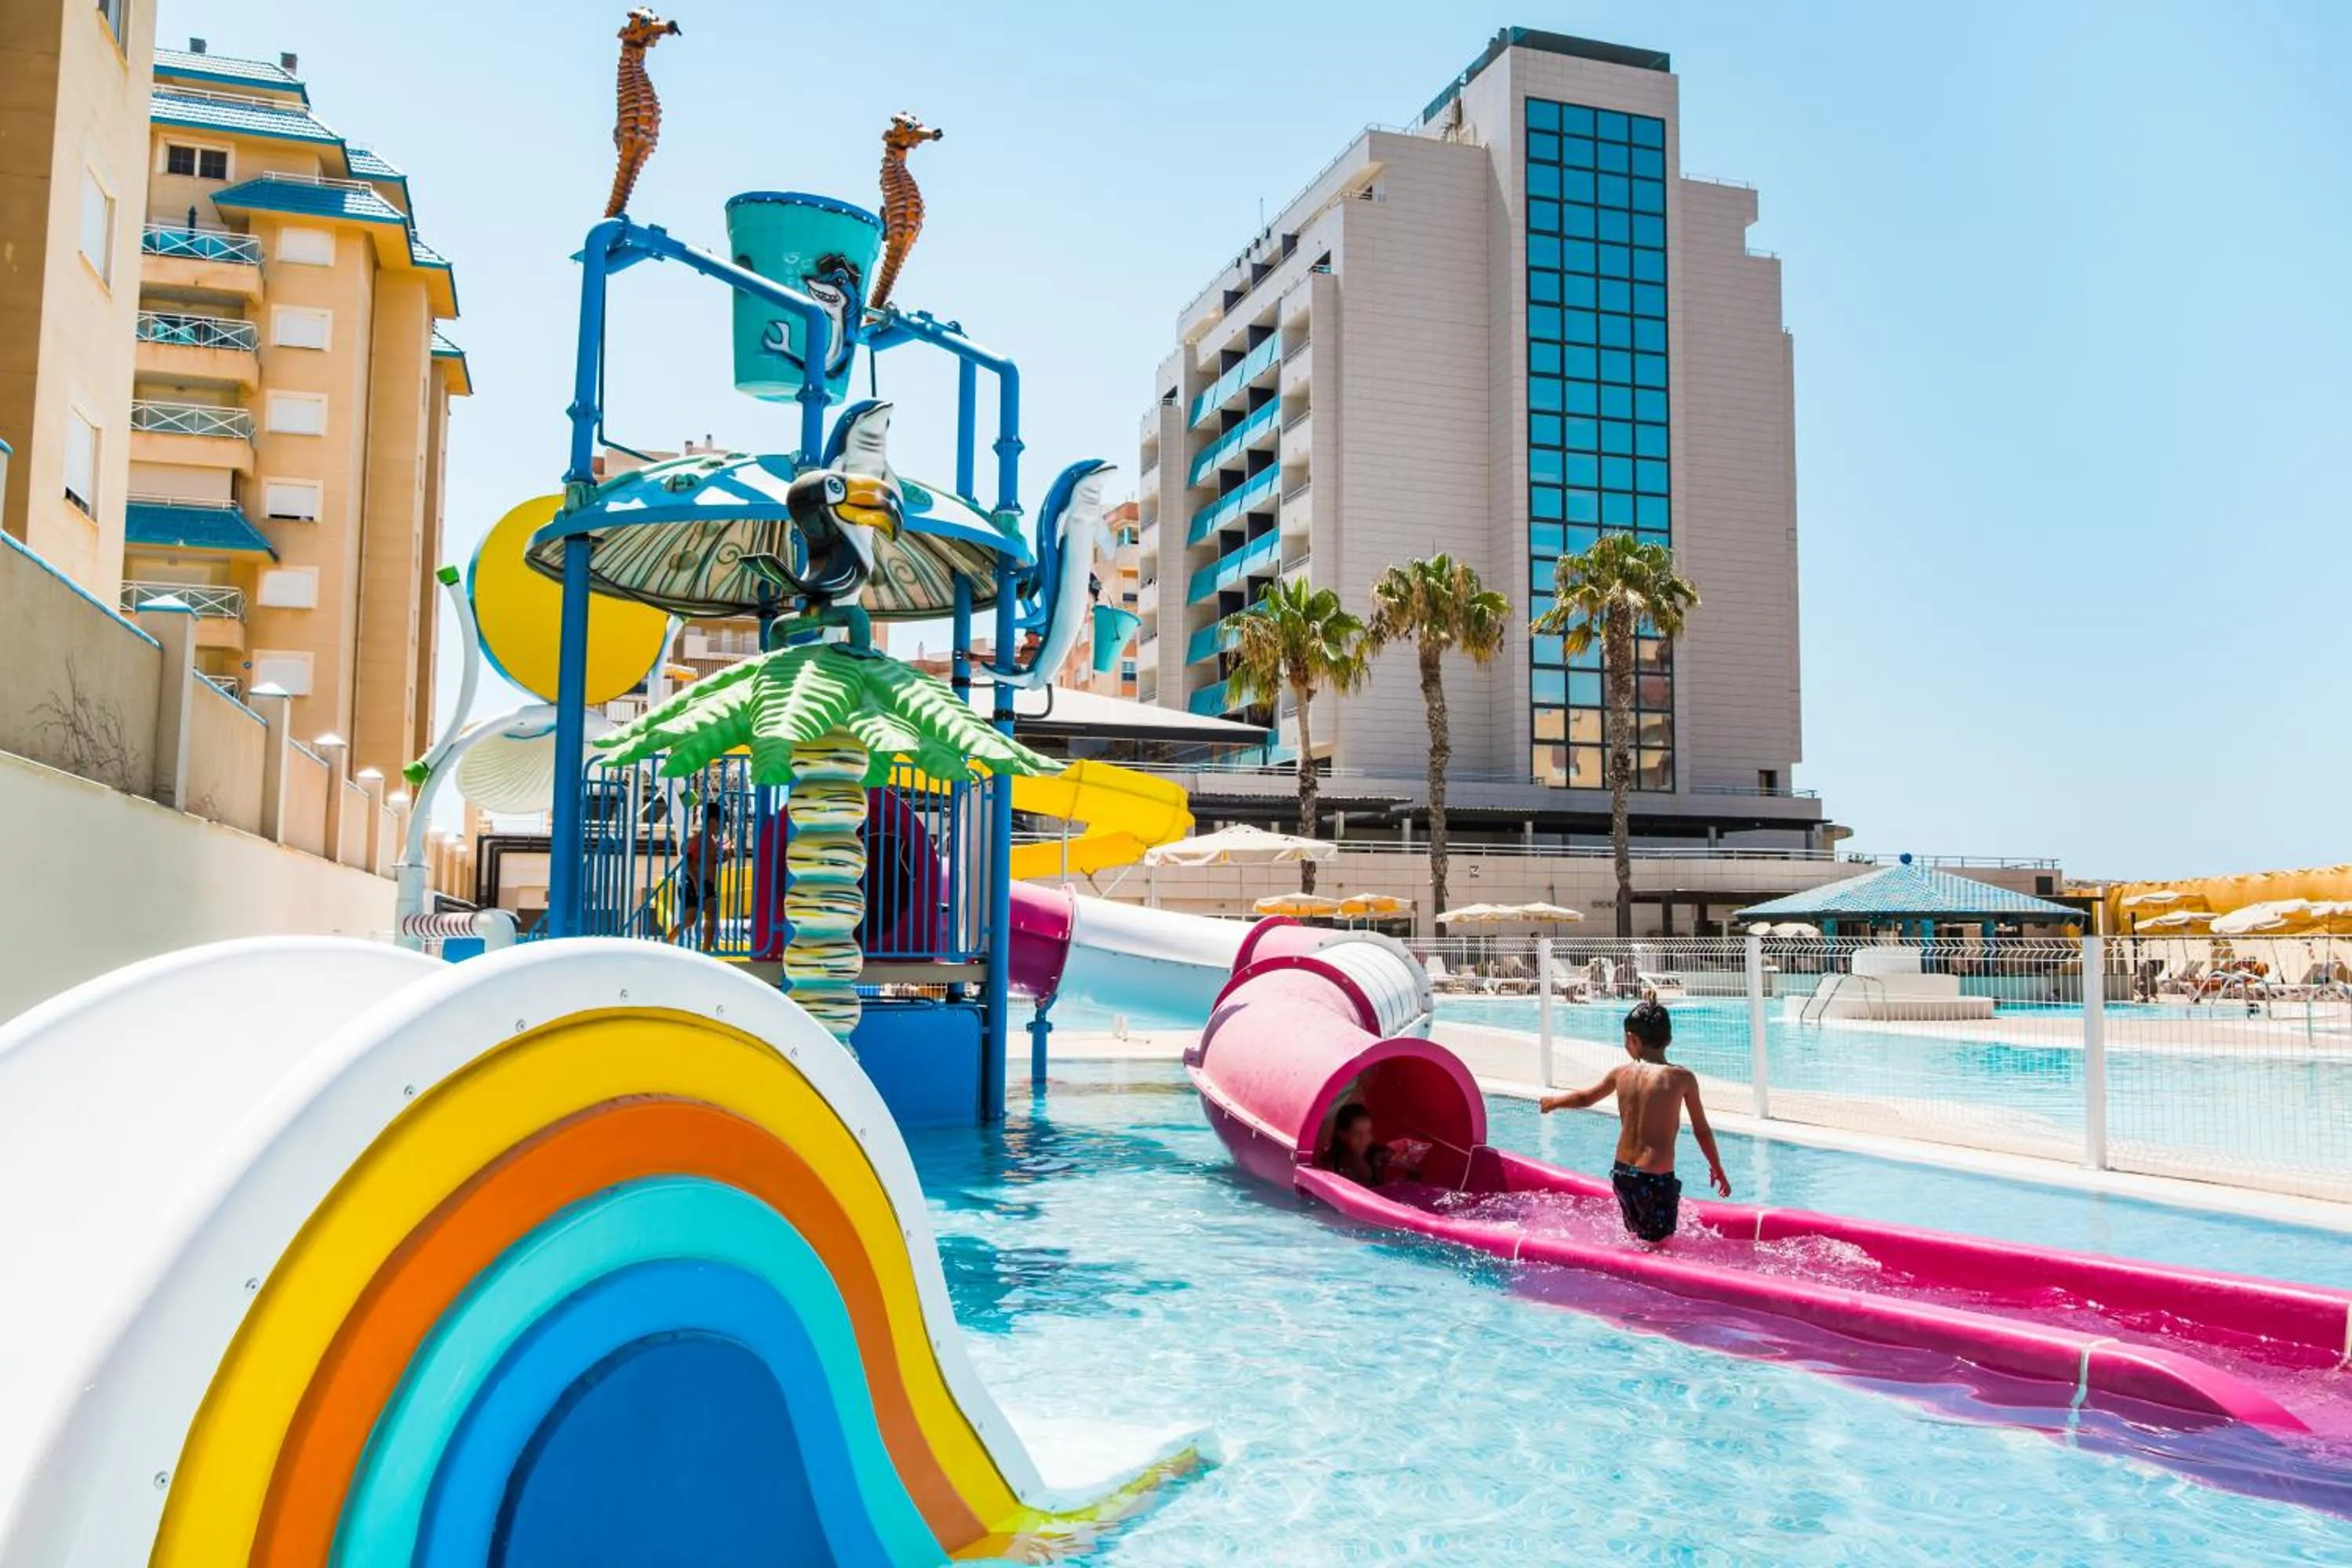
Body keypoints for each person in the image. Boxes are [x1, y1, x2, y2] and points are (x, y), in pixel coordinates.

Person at [1537, 1000, 1730, 1242]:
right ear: (1669, 1039)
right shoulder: (1682, 1078)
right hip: (1655, 1177)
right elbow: (1701, 1130)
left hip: (1622, 1173)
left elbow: (1585, 1098)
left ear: (1632, 1039)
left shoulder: (1621, 1074)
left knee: (1637, 1237)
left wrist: (1554, 1102)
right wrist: (1717, 1168)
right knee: (1661, 1245)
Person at [1323, 1103, 1426, 1189]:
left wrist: (1412, 1185)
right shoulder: (1332, 1161)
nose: (1365, 1140)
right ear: (1342, 1135)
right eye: (1357, 1134)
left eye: (1368, 1132)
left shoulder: (1378, 1154)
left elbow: (1413, 1167)